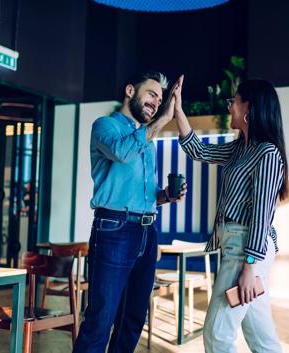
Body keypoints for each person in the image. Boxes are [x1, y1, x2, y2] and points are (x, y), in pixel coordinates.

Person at [73, 71, 186, 353]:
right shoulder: (105, 126)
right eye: (151, 94)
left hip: (147, 231)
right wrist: (163, 119)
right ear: (129, 91)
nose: (156, 103)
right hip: (114, 229)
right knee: (101, 319)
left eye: (160, 100)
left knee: (133, 318)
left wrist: (165, 196)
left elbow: (142, 193)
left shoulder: (146, 138)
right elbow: (121, 152)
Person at [173, 76, 288, 352]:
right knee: (262, 338)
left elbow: (262, 214)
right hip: (235, 245)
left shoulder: (268, 154)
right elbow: (199, 150)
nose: (229, 107)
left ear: (249, 108)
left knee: (217, 335)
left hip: (247, 248)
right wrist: (178, 111)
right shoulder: (239, 149)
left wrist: (249, 266)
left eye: (233, 101)